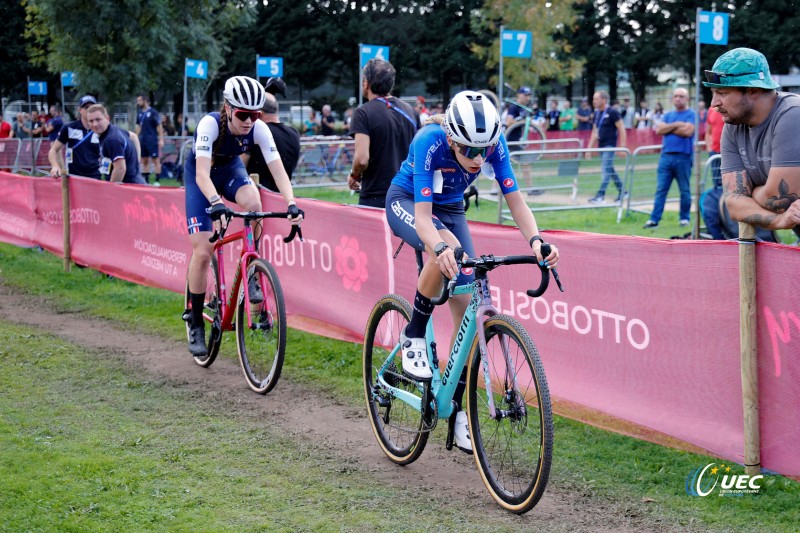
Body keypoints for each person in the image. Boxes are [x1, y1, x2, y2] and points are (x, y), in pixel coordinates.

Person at [385, 90, 559, 452]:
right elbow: (421, 219)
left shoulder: (493, 146)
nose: (478, 159)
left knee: (467, 317)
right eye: (468, 151)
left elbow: (517, 201)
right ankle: (413, 334)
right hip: (406, 203)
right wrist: (439, 248)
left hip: (451, 210)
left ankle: (457, 409)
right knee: (445, 251)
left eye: (484, 150)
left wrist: (538, 242)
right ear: (451, 138)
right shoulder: (430, 141)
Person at [184, 76, 303, 357]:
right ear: (228, 108)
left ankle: (250, 265)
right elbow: (202, 174)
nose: (249, 121)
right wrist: (216, 202)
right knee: (203, 251)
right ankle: (195, 320)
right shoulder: (209, 124)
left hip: (229, 171)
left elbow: (278, 171)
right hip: (201, 177)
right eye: (243, 115)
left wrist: (292, 203)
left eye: (255, 114)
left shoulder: (259, 128)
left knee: (253, 201)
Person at [703, 47, 800, 236]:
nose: (714, 103)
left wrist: (752, 193)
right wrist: (779, 221)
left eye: (722, 93)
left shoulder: (793, 114)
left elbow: (780, 199)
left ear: (753, 90)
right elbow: (733, 204)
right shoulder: (733, 125)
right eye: (714, 93)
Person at [348, 58, 417, 208]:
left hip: (376, 196)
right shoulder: (410, 111)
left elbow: (361, 159)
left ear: (366, 83)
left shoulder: (363, 113)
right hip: (408, 194)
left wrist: (354, 175)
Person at [643, 88, 695, 228]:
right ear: (672, 98)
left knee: (684, 190)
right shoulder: (668, 115)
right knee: (661, 189)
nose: (678, 98)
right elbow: (659, 130)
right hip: (666, 157)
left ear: (687, 99)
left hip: (683, 157)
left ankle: (684, 218)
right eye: (676, 96)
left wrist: (668, 128)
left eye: (681, 96)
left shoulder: (691, 114)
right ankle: (654, 219)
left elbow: (688, 132)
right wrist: (677, 124)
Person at [246, 91, 301, 192]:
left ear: (259, 113)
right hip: (282, 196)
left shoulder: (255, 132)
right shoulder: (294, 134)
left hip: (256, 196)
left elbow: (239, 165)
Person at [86, 104, 146, 184]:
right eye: (91, 121)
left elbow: (120, 169)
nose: (95, 124)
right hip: (135, 181)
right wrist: (136, 163)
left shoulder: (112, 140)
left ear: (107, 118)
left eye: (98, 119)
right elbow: (134, 136)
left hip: (129, 187)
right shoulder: (112, 130)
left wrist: (111, 191)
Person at [587, 90, 626, 204]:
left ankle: (600, 195)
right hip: (601, 146)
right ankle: (623, 192)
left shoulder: (612, 112)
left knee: (605, 171)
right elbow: (594, 132)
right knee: (609, 170)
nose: (594, 101)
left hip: (610, 146)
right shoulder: (597, 114)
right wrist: (589, 149)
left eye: (596, 99)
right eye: (594, 99)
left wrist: (622, 146)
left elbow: (621, 128)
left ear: (604, 100)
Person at [48, 95, 101, 179]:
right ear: (80, 110)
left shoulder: (101, 129)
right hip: (74, 177)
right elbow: (53, 150)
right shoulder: (69, 128)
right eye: (86, 107)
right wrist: (55, 166)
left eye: (92, 108)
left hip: (95, 177)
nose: (89, 110)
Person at [701, 105, 725, 239]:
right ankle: (719, 222)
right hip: (715, 153)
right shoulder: (711, 109)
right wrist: (710, 149)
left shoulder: (730, 108)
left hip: (729, 153)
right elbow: (708, 132)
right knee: (718, 188)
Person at [135, 94, 165, 185]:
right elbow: (139, 126)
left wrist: (161, 139)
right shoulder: (140, 113)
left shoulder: (153, 112)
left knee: (155, 160)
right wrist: (135, 137)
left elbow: (159, 126)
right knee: (144, 160)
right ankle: (146, 180)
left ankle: (157, 180)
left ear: (145, 101)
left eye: (140, 100)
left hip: (152, 140)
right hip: (143, 140)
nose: (138, 103)